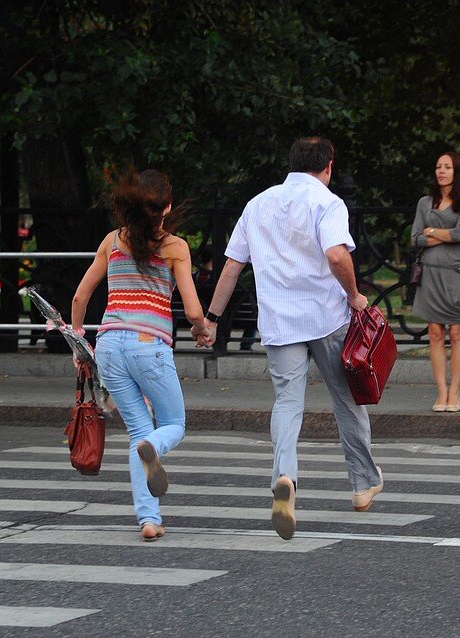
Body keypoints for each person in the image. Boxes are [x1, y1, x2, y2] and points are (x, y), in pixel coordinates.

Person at [193, 137, 383, 541]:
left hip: (279, 322)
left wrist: (211, 319)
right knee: (346, 400)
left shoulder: (258, 203)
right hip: (327, 319)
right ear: (328, 165)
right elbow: (336, 256)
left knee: (286, 404)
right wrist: (354, 295)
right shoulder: (327, 203)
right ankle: (362, 485)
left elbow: (231, 268)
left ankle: (285, 477)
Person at [72, 168, 206, 542]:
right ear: (166, 207)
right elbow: (194, 311)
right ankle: (153, 450)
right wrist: (202, 330)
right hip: (150, 346)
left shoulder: (112, 241)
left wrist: (79, 342)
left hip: (110, 346)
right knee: (173, 425)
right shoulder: (175, 247)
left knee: (138, 433)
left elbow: (80, 297)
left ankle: (149, 520)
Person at [410, 151, 460, 412]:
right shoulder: (425, 203)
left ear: (456, 171)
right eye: (438, 166)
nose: (441, 171)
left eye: (447, 167)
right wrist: (444, 236)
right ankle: (442, 391)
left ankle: (456, 392)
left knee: (457, 333)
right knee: (435, 334)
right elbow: (415, 238)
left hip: (455, 274)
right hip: (430, 273)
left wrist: (432, 232)